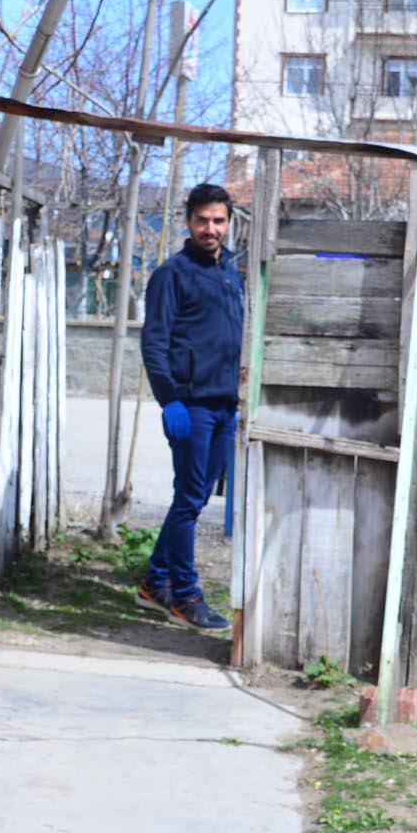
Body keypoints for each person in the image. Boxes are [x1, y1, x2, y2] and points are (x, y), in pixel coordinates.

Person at [137, 181, 244, 631]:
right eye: (202, 220)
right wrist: (170, 400)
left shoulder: (232, 273)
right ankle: (185, 595)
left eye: (218, 220)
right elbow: (154, 342)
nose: (210, 228)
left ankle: (153, 582)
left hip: (225, 405)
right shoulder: (172, 274)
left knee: (196, 498)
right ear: (188, 221)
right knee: (188, 499)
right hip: (190, 407)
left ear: (228, 223)